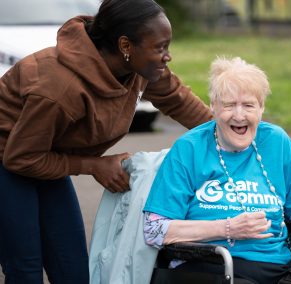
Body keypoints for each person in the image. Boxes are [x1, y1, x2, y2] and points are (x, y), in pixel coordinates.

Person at [0, 0, 212, 283]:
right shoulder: (59, 88)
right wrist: (94, 165)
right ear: (126, 46)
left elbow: (178, 100)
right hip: (8, 160)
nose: (167, 56)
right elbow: (20, 158)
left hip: (46, 155)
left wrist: (238, 136)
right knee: (25, 268)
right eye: (159, 48)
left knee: (72, 267)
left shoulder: (139, 68)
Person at [143, 57, 291, 284]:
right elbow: (154, 230)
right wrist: (227, 228)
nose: (239, 115)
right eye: (229, 105)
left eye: (248, 105)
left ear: (261, 108)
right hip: (209, 267)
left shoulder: (276, 141)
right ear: (213, 107)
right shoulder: (190, 148)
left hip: (278, 269)